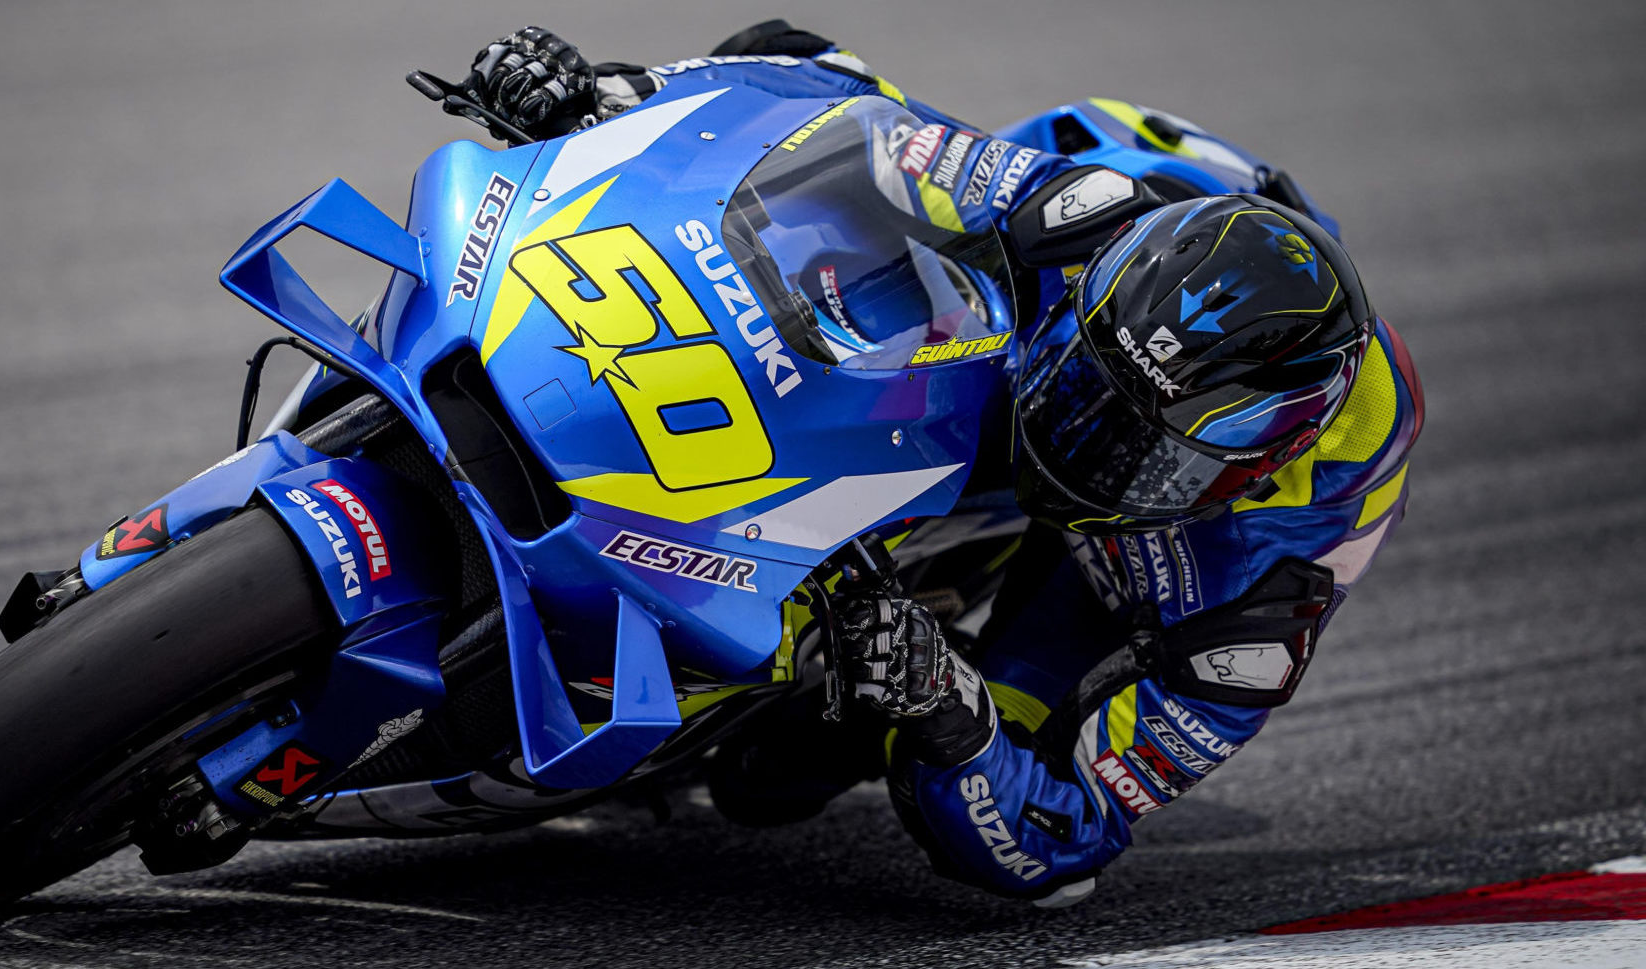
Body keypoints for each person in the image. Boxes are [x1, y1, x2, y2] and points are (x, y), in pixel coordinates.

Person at [462, 22, 1424, 908]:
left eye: (1138, 454)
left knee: (783, 779)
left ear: (1257, 464)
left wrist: (945, 707)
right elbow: (822, 88)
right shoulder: (1073, 215)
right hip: (1064, 262)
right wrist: (610, 98)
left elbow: (1067, 836)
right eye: (1085, 397)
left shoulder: (1261, 592)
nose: (1079, 448)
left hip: (1125, 565)